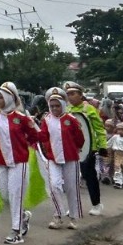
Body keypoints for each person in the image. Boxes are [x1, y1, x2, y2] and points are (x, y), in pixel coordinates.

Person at [0, 81, 39, 245]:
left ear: (10, 98)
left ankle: (16, 231)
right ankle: (23, 216)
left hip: (19, 162)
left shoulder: (22, 118)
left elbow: (35, 136)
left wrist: (31, 129)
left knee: (15, 195)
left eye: (1, 97)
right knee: (5, 195)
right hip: (1, 161)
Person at [37, 88, 85, 230]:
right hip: (53, 158)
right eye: (52, 106)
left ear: (63, 105)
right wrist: (33, 129)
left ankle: (74, 217)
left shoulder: (72, 120)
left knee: (71, 188)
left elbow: (80, 139)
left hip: (71, 158)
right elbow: (43, 137)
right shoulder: (46, 120)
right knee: (54, 186)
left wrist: (75, 148)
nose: (54, 109)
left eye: (57, 106)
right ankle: (58, 215)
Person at [64, 82, 106, 216]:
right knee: (71, 178)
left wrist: (102, 146)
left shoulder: (89, 109)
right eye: (68, 94)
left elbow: (99, 128)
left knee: (89, 176)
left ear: (80, 95)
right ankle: (73, 206)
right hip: (71, 149)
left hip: (88, 149)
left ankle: (96, 204)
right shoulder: (67, 110)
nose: (70, 97)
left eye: (73, 94)